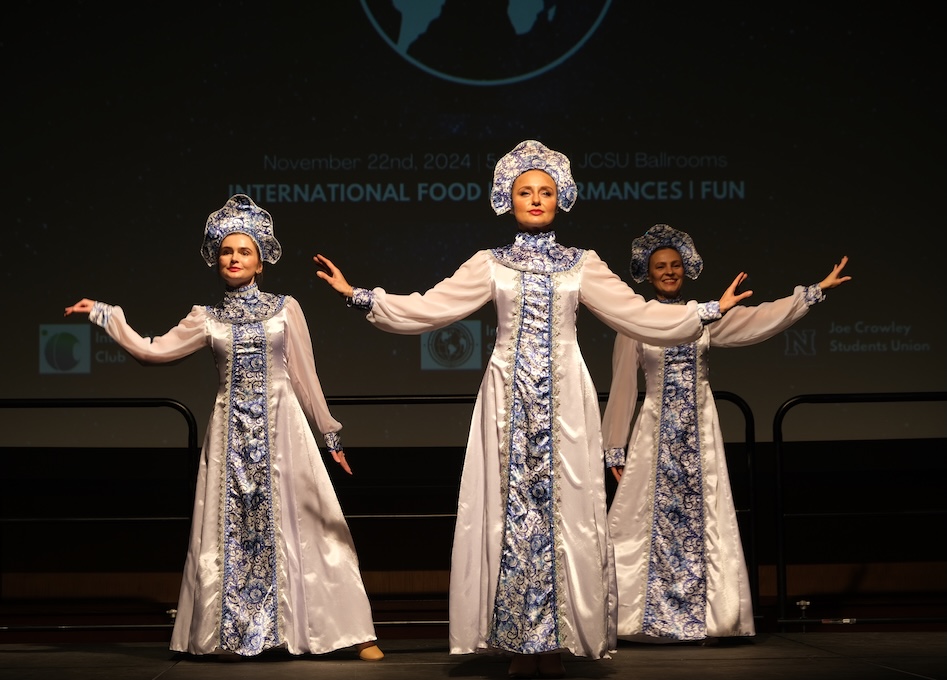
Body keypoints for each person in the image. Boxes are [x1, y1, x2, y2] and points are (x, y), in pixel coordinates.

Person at [313, 141, 751, 678]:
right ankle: (519, 642)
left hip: (566, 400)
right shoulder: (490, 265)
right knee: (508, 512)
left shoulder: (582, 265)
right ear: (508, 199)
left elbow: (638, 316)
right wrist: (360, 296)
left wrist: (708, 310)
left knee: (568, 512)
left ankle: (560, 639)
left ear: (561, 199)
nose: (536, 199)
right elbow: (430, 306)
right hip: (507, 402)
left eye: (545, 191)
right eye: (526, 192)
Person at [64, 194, 383, 661]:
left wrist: (329, 434)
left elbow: (305, 377)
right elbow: (152, 351)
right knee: (227, 531)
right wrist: (106, 316)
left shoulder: (285, 309)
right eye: (227, 252)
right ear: (217, 259)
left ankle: (349, 632)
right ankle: (233, 633)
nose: (234, 258)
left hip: (284, 430)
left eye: (244, 252)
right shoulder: (205, 319)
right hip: (230, 432)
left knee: (307, 526)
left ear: (260, 263)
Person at [601, 223, 851, 644]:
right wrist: (614, 449)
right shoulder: (636, 323)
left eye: (675, 265)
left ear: (685, 270)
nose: (668, 272)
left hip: (699, 431)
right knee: (640, 524)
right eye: (660, 266)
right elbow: (624, 385)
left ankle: (710, 619)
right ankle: (633, 619)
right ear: (646, 272)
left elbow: (757, 320)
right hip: (653, 434)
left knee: (707, 518)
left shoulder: (706, 315)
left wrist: (812, 291)